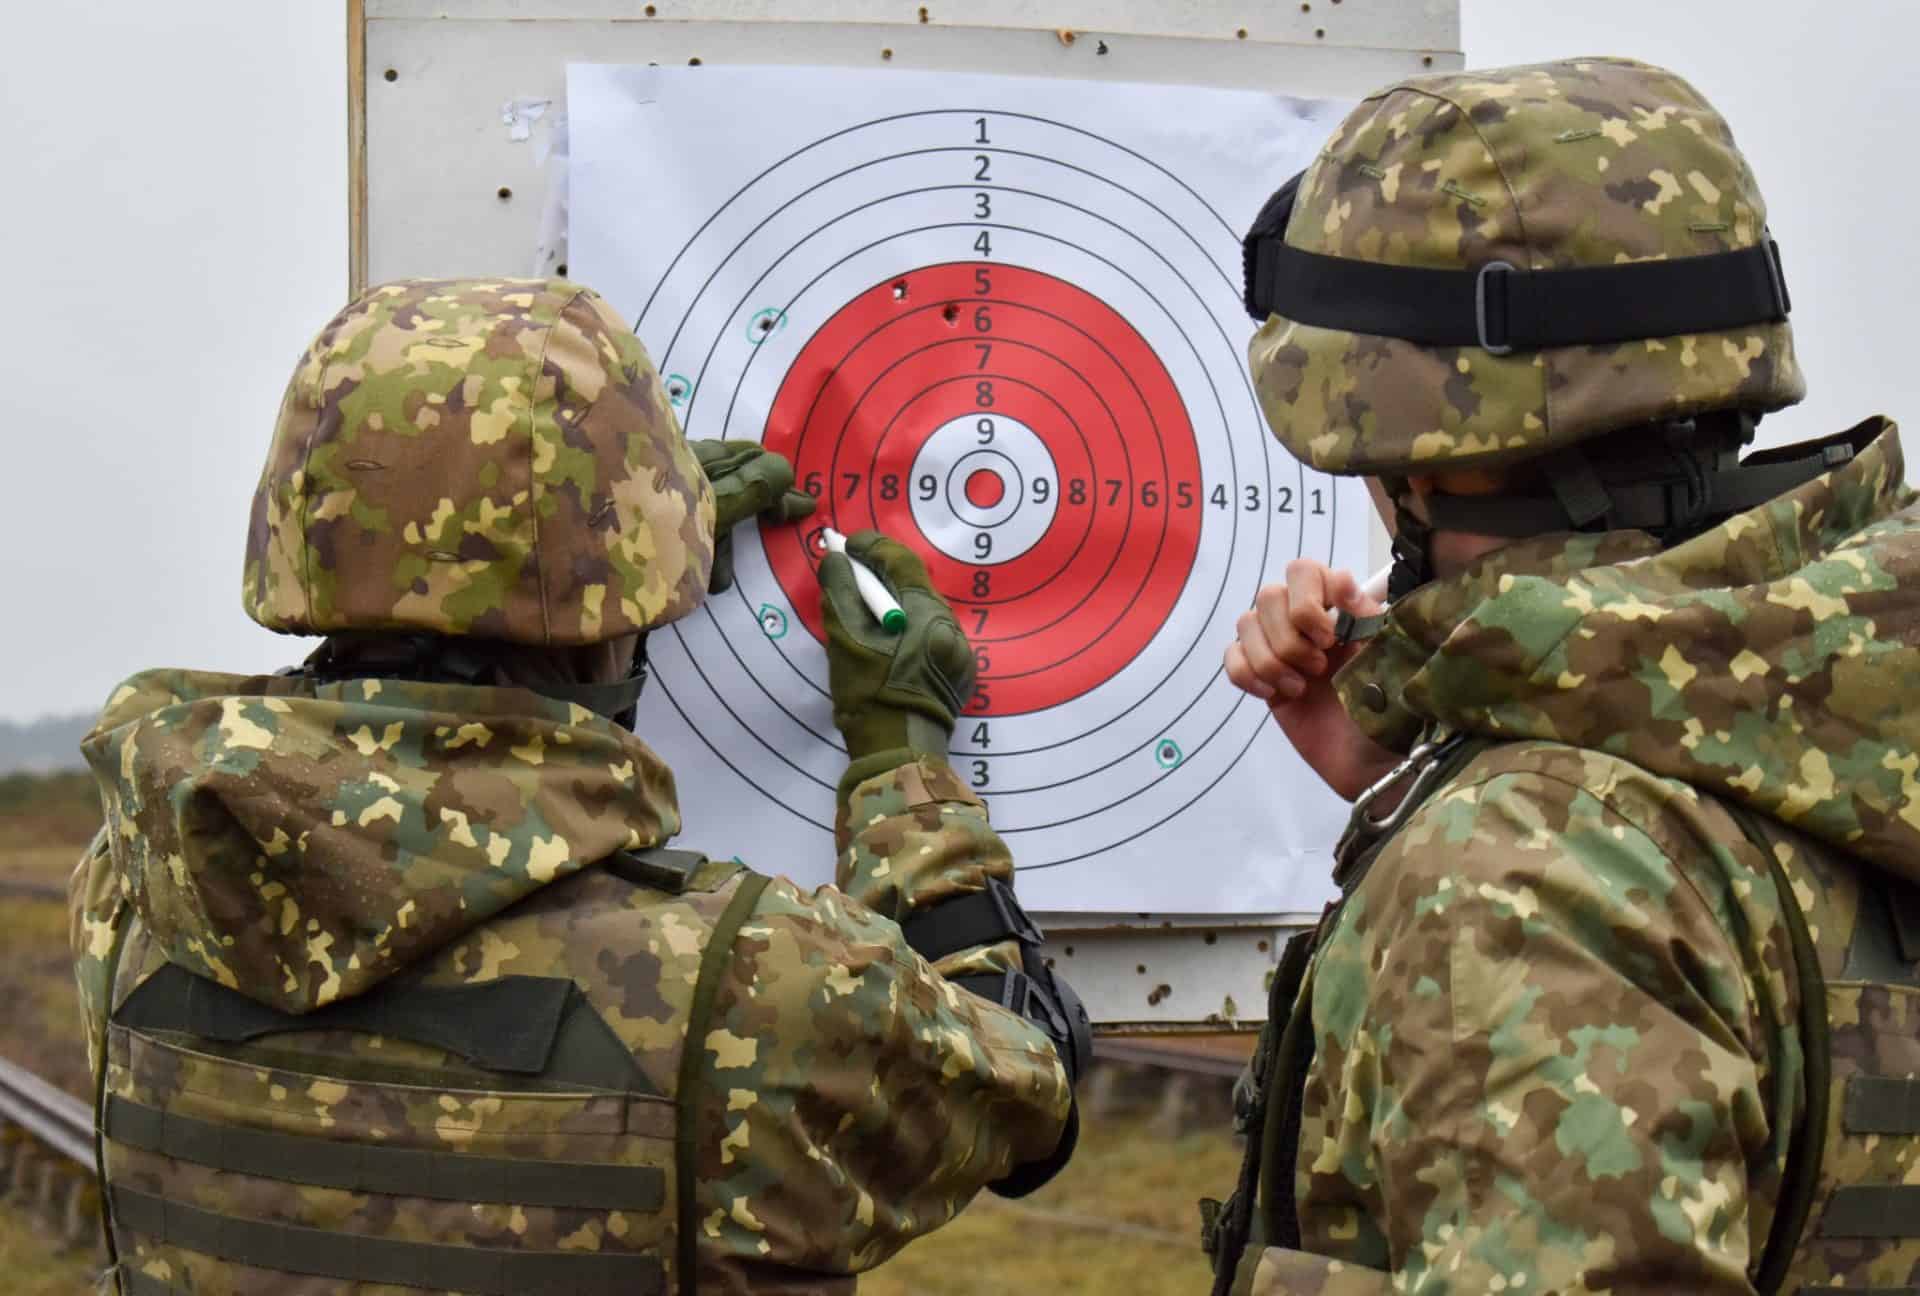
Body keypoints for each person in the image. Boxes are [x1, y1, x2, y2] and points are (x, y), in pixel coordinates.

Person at [68, 277, 1088, 1296]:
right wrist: (901, 759)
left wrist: (619, 576)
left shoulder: (132, 891)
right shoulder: (759, 985)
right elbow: (1025, 1090)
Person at [1203, 57, 1920, 1295]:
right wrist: (1419, 782)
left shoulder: (1526, 874)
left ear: (1405, 447)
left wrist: (1483, 832)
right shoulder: (1841, 691)